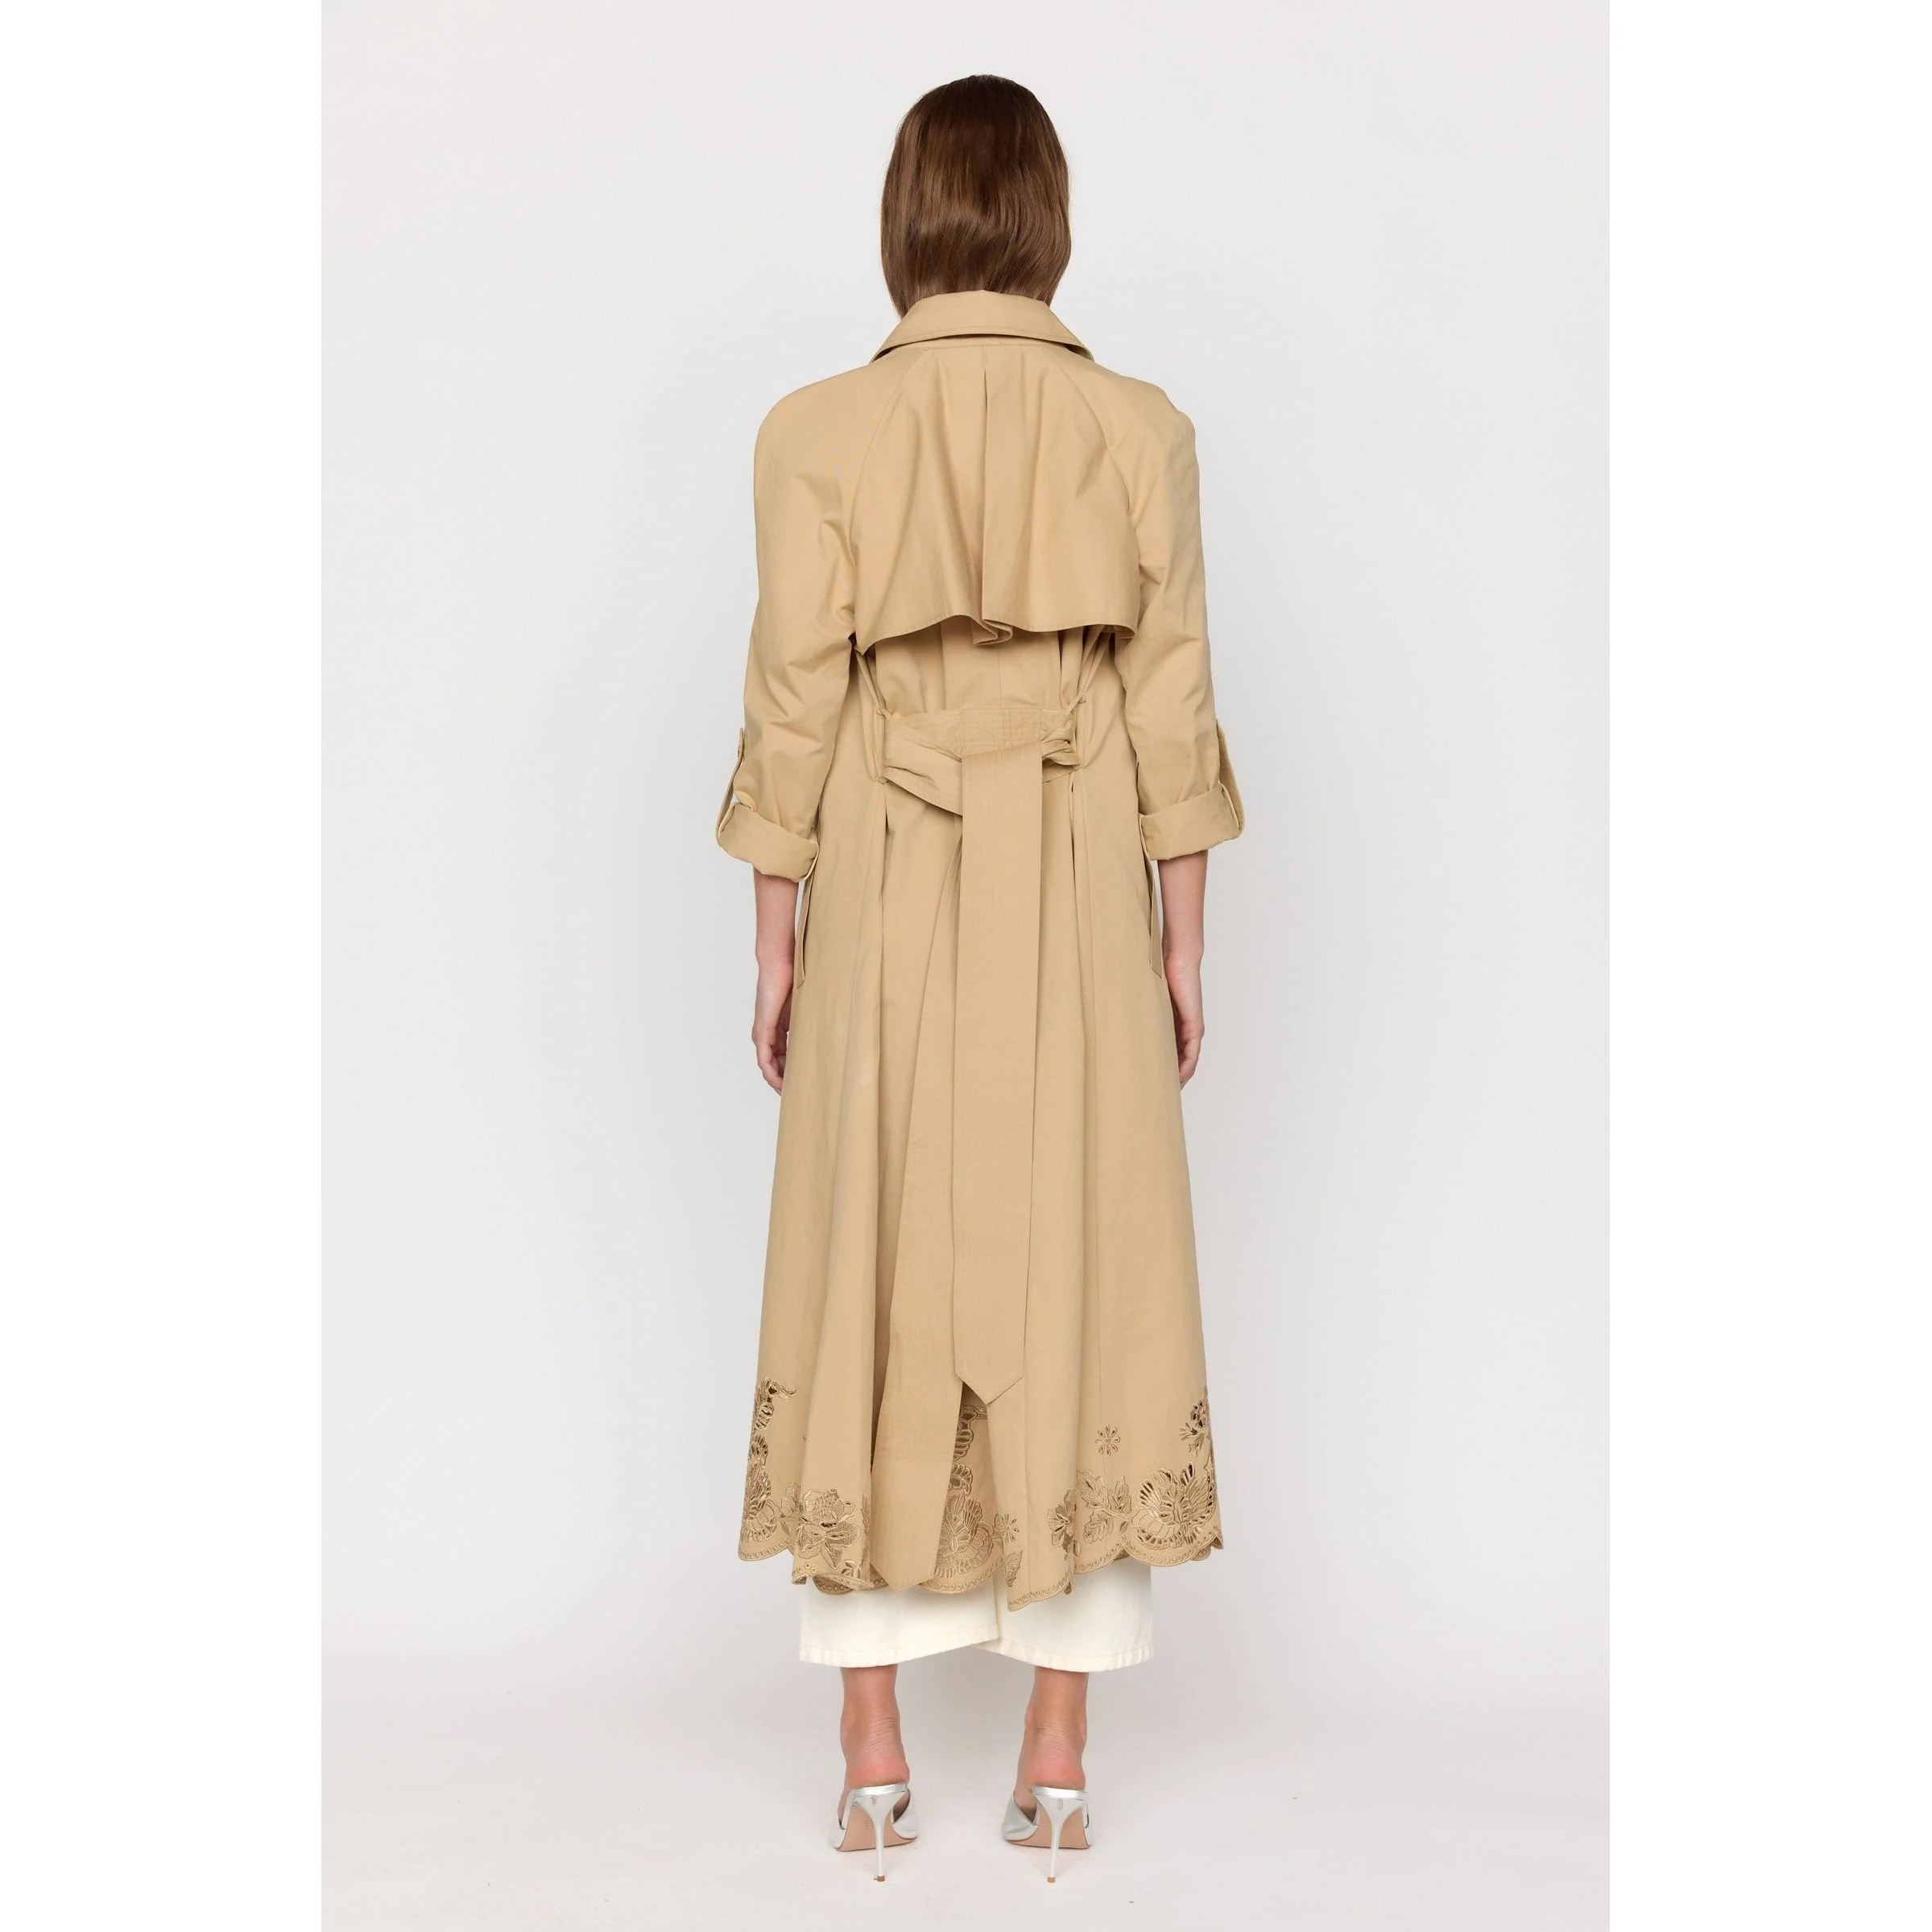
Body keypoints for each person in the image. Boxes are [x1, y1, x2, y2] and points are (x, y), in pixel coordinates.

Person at [716, 73, 1243, 1882]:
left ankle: (868, 1757)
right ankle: (1059, 1758)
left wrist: (774, 935)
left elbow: (793, 697)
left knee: (865, 1255)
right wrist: (1181, 936)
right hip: (1083, 867)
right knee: (1089, 1248)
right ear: (1047, 219)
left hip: (882, 869)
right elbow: (1170, 694)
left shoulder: (813, 432)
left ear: (904, 218)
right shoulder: (1140, 426)